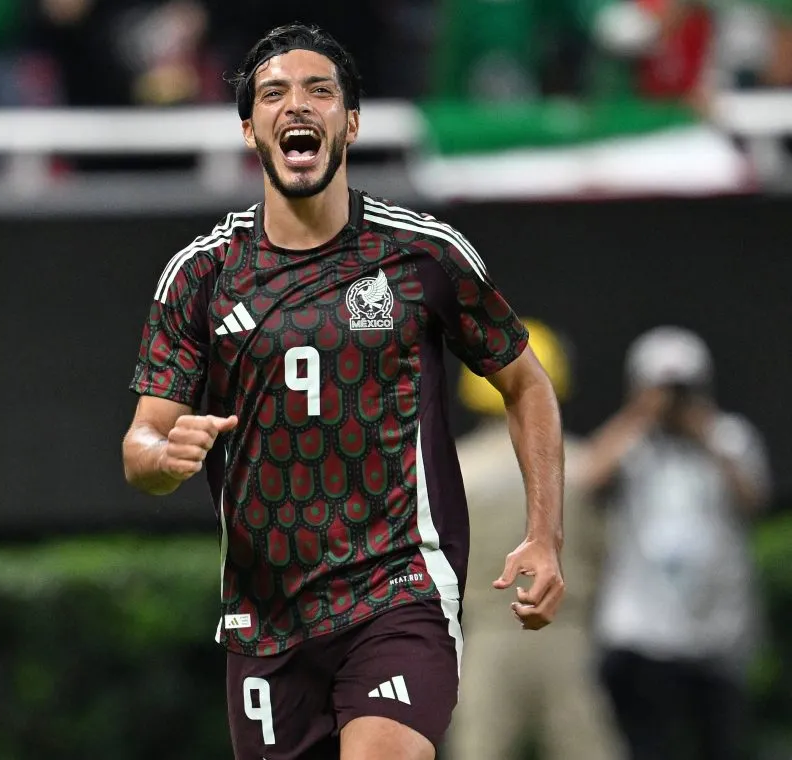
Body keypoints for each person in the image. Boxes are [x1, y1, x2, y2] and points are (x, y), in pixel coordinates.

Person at [122, 23, 566, 760]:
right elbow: (141, 442)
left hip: (399, 589)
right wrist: (163, 455)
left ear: (350, 122)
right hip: (266, 617)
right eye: (274, 93)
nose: (297, 105)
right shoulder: (201, 276)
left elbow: (525, 383)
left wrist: (544, 535)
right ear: (249, 128)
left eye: (319, 91)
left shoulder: (421, 256)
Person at [582, 326, 771, 760]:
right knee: (646, 745)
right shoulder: (631, 441)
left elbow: (754, 500)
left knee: (718, 744)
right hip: (643, 630)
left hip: (716, 631)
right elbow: (589, 478)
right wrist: (640, 416)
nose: (673, 400)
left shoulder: (730, 437)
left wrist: (704, 432)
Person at [447, 320, 621, 760]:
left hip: (486, 637)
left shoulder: (457, 468)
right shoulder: (585, 468)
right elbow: (607, 553)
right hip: (567, 633)